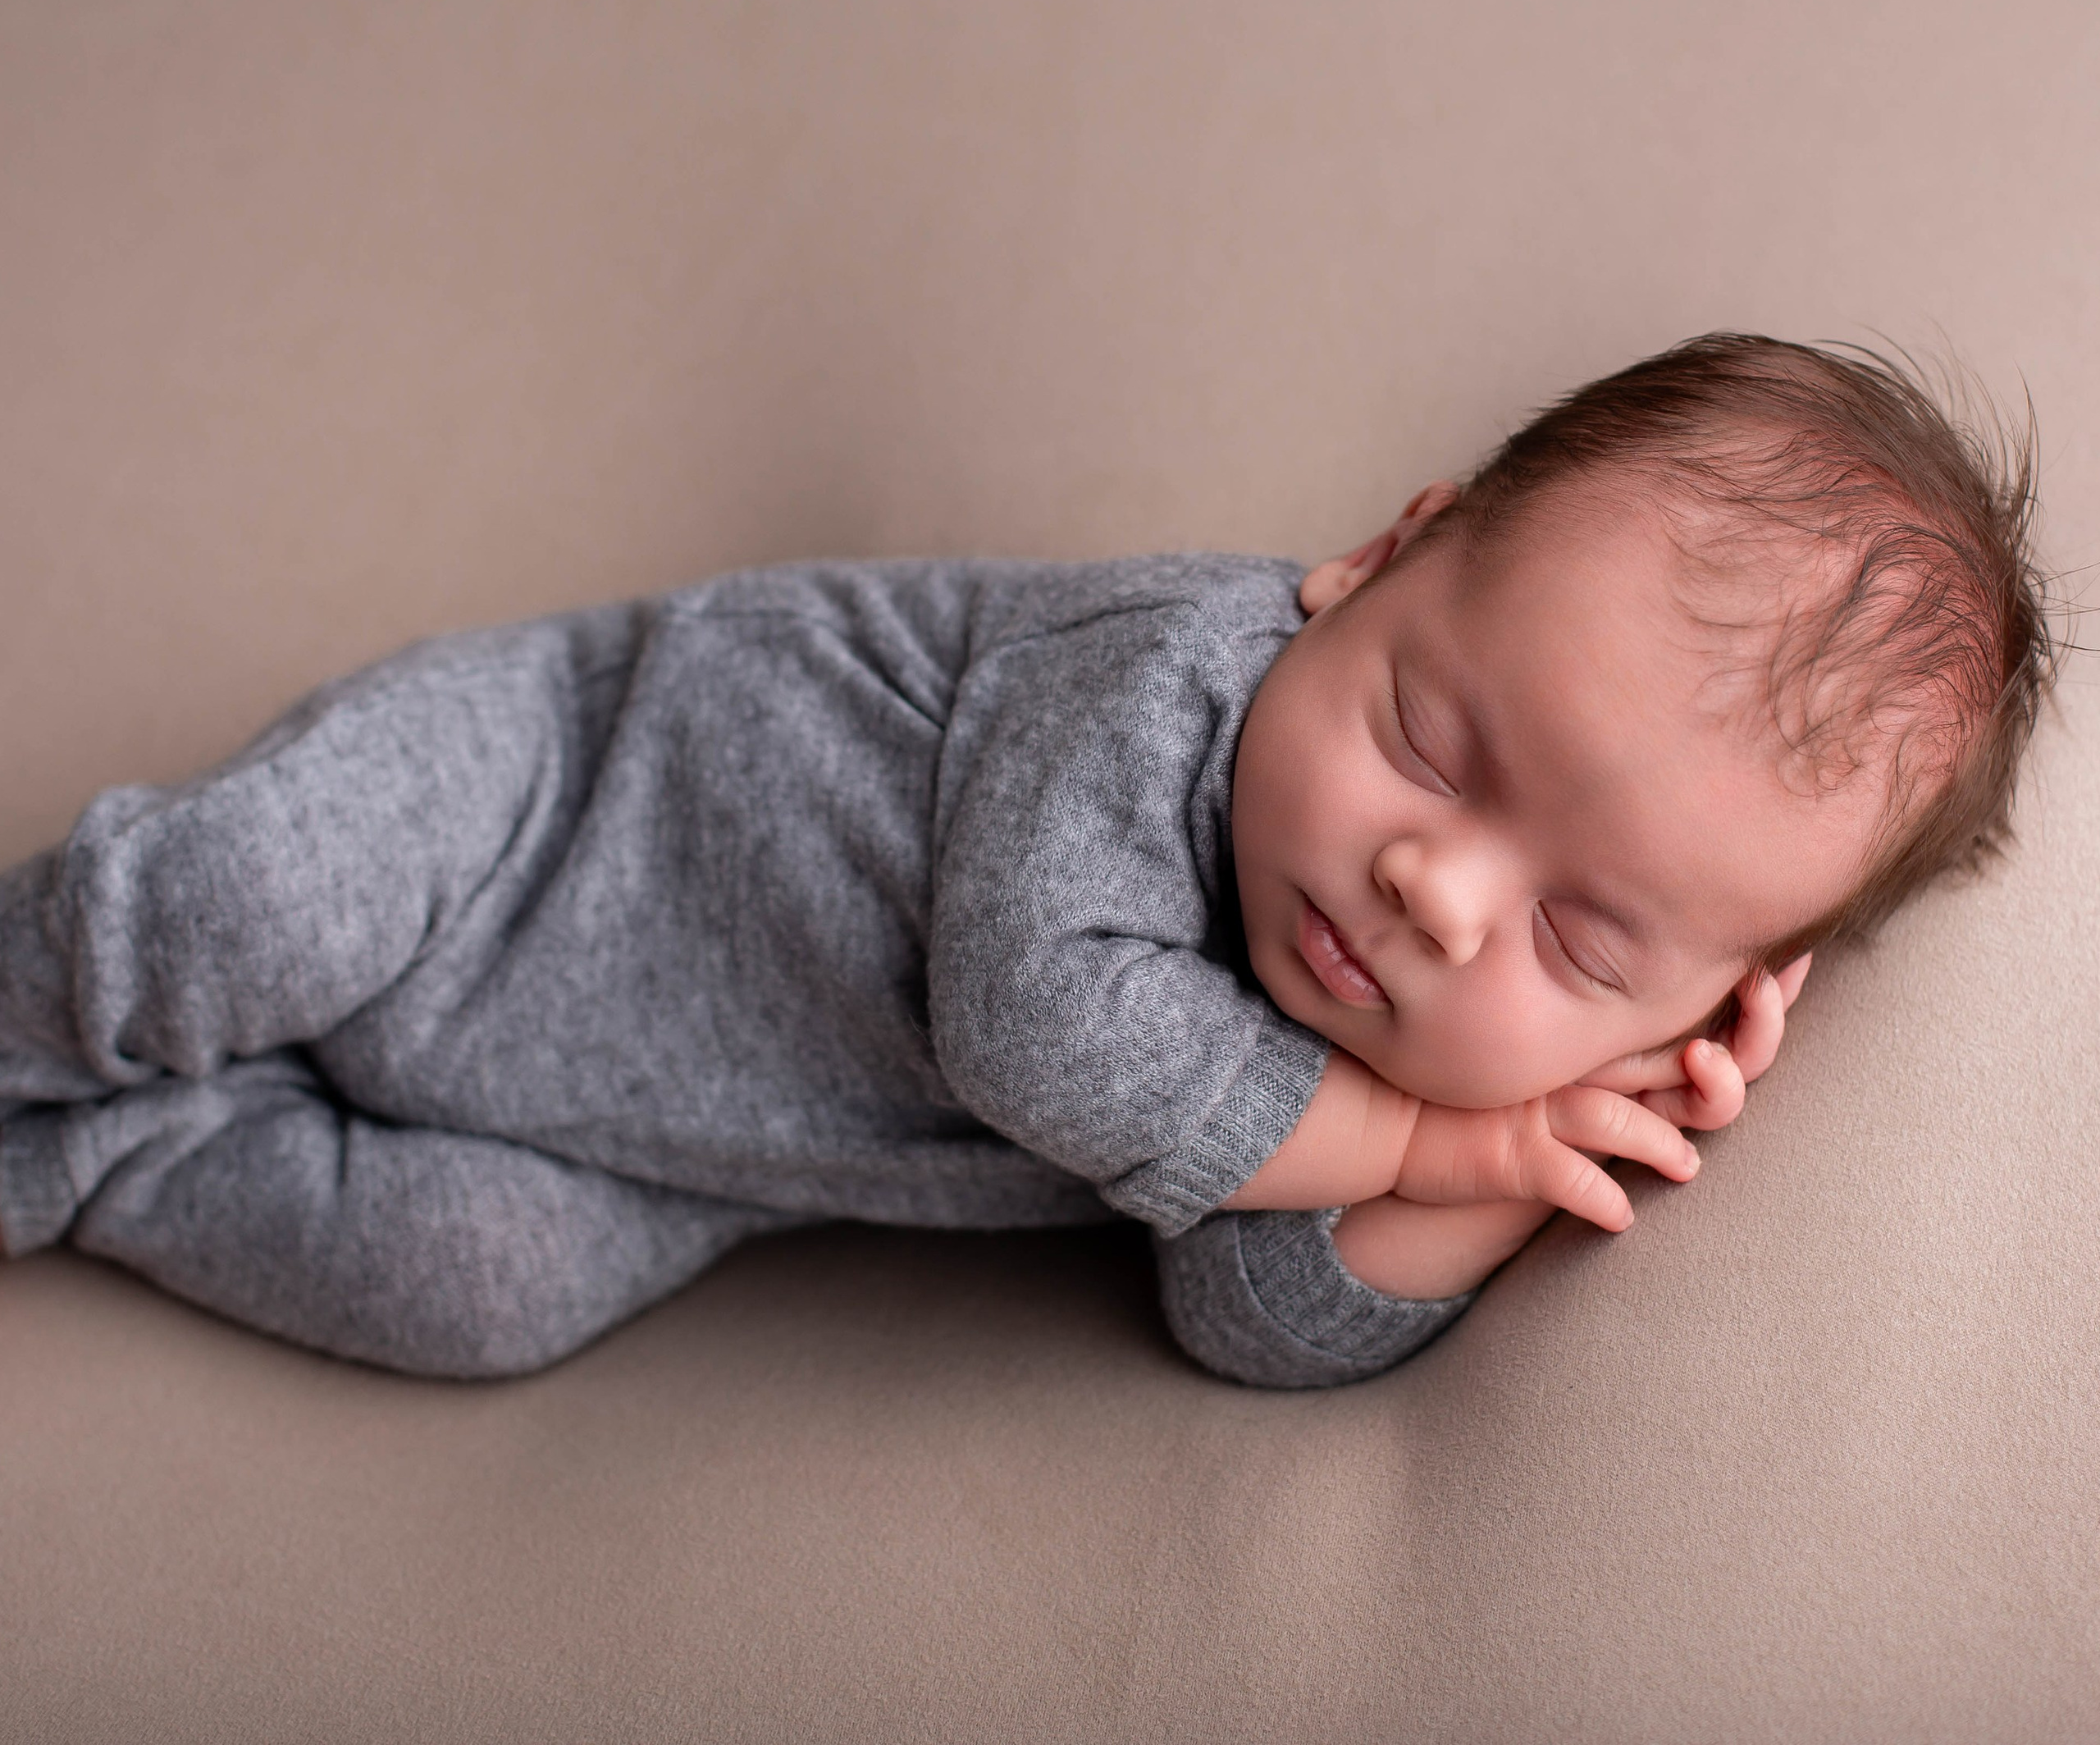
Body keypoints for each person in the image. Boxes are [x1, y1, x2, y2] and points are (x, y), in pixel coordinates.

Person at [0, 336, 2057, 1387]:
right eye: (1431, 735)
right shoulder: (1169, 668)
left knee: (475, 1298)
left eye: (1581, 932)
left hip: (642, 1143)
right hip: (538, 793)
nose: (1436, 883)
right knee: (246, 907)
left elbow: (1246, 1327)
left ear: (1701, 1007)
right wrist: (1416, 1140)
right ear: (1381, 556)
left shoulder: (1402, 1078)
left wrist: (1499, 1184)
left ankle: (79, 1160)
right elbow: (1028, 1010)